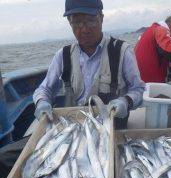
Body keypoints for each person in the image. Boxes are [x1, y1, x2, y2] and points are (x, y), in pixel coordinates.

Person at [33, 0, 145, 129]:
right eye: (77, 22)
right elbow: (45, 89)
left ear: (101, 19)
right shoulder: (63, 55)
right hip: (74, 128)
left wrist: (126, 101)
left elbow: (138, 89)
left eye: (91, 20)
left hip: (112, 127)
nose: (85, 29)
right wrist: (42, 102)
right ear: (70, 22)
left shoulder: (122, 51)